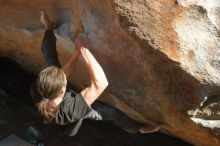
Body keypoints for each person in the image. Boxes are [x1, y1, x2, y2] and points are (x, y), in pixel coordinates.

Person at [31, 11, 158, 137]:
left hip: (59, 97)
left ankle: (48, 26)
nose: (64, 74)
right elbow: (100, 84)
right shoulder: (70, 111)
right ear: (62, 91)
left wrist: (75, 52)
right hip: (71, 119)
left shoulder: (43, 85)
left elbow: (48, 49)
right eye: (64, 80)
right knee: (112, 113)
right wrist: (84, 50)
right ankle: (138, 129)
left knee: (50, 57)